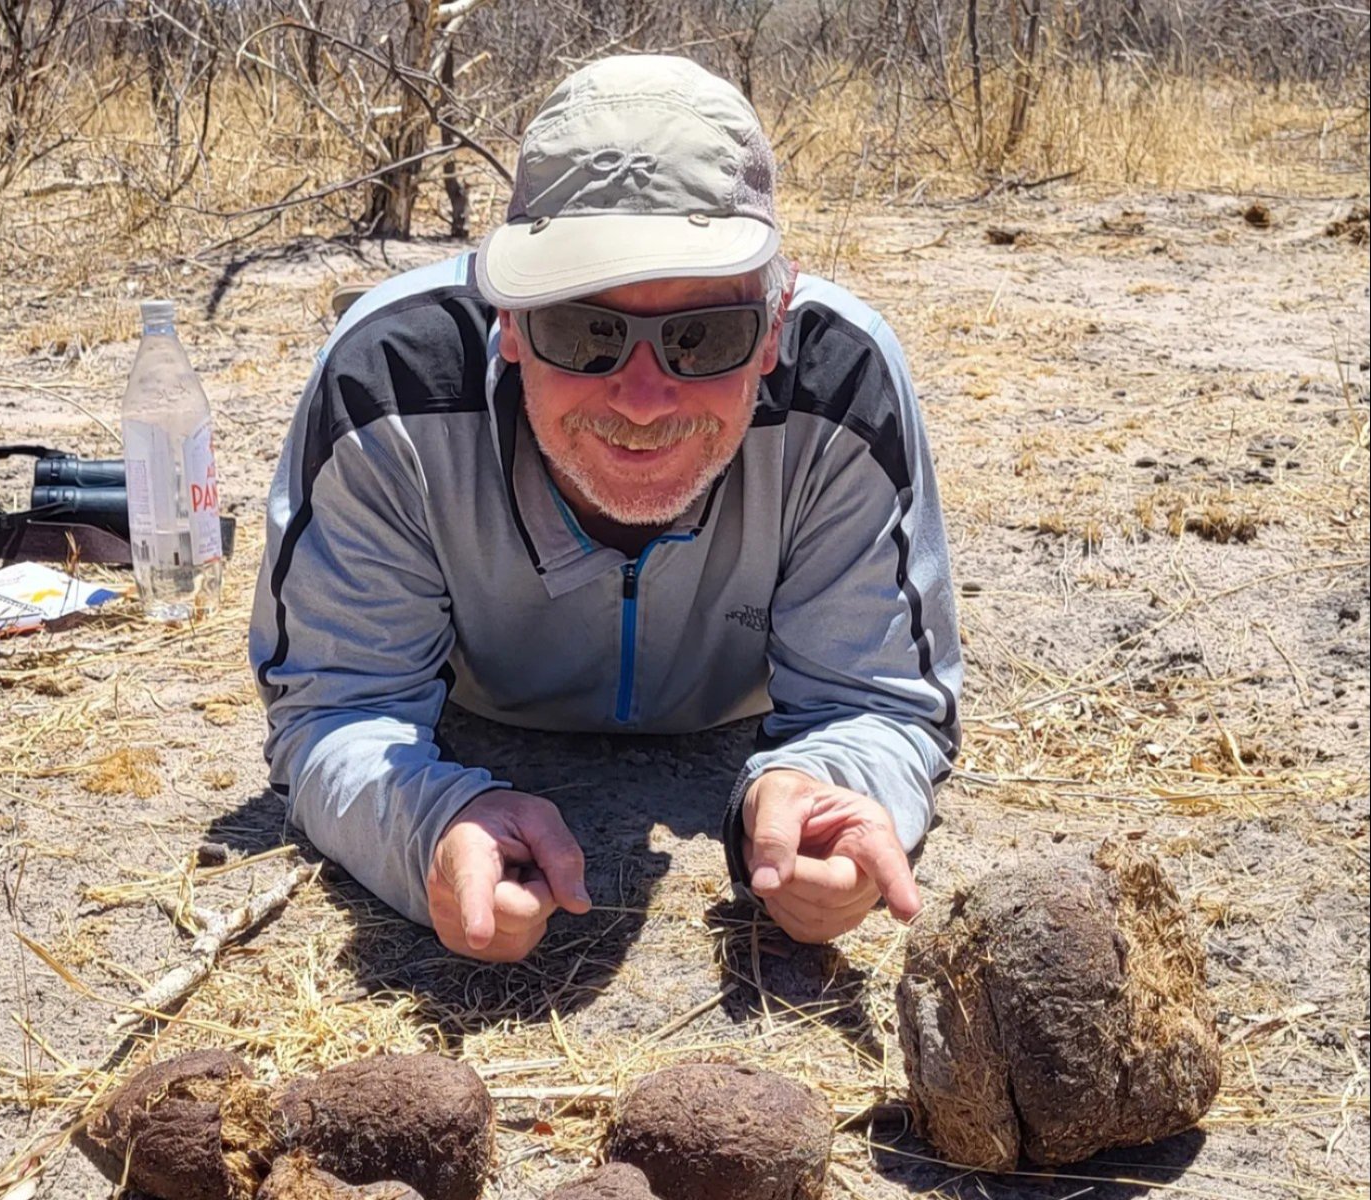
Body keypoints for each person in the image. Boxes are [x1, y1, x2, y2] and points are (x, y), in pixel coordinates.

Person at [250, 55, 962, 963]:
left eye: (703, 337)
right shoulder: (388, 387)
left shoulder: (845, 390)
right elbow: (333, 707)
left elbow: (880, 702)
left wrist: (828, 787)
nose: (642, 398)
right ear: (508, 320)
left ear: (776, 326)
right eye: (586, 331)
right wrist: (428, 825)